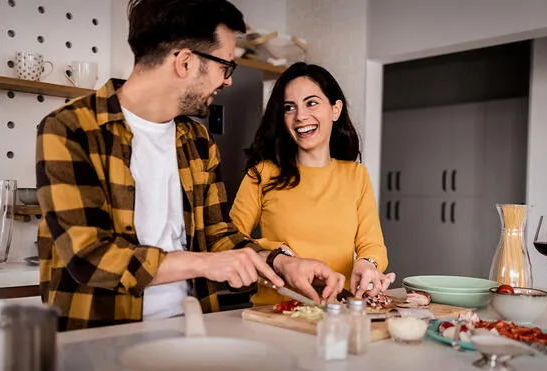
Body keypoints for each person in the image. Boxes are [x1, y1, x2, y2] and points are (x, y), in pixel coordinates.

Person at [36, 0, 343, 331]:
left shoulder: (197, 139)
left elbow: (217, 234)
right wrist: (206, 263)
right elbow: (89, 257)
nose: (227, 81)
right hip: (101, 337)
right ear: (184, 62)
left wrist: (283, 262)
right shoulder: (70, 128)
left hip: (192, 330)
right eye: (226, 67)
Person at [230, 62, 396, 306]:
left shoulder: (356, 175)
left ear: (335, 109)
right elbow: (229, 239)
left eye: (312, 102)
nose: (300, 116)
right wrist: (279, 254)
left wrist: (367, 264)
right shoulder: (262, 174)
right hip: (275, 312)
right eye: (290, 107)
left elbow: (372, 244)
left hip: (338, 310)